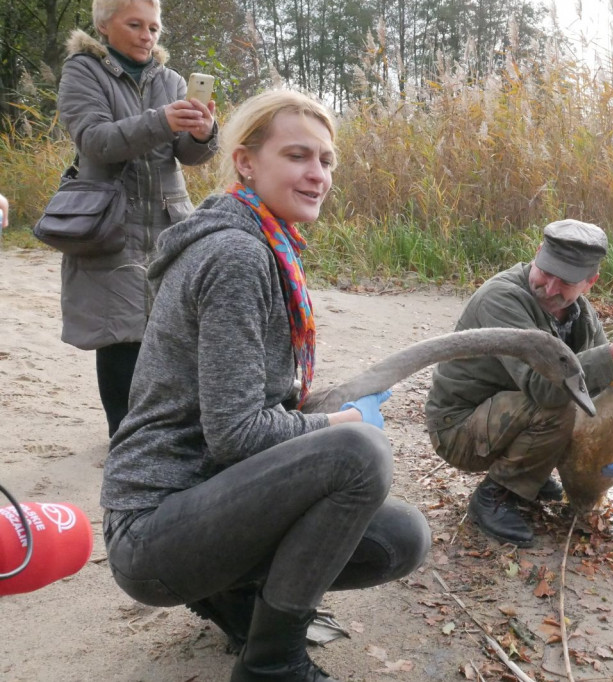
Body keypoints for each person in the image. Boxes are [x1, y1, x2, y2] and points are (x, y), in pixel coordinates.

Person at [100, 89, 430, 682]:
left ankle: (232, 596)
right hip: (153, 528)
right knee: (360, 454)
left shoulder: (268, 245)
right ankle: (272, 664)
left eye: (326, 160)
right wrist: (342, 424)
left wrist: (323, 419)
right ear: (247, 162)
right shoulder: (237, 255)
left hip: (209, 502)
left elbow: (250, 408)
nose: (317, 174)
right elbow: (236, 432)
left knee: (399, 538)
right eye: (298, 155)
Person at [425, 219, 613, 547]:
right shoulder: (501, 298)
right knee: (563, 403)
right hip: (458, 428)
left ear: (590, 282)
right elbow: (544, 387)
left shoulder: (584, 318)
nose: (549, 289)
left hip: (500, 417)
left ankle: (531, 475)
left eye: (565, 282)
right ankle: (495, 497)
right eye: (545, 272)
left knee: (592, 403)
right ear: (537, 253)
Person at [57, 0, 218, 437]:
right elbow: (94, 141)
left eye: (154, 27)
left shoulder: (171, 80)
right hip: (110, 222)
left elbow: (186, 155)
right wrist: (162, 120)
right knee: (121, 335)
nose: (148, 35)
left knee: (170, 333)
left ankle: (162, 431)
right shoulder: (82, 71)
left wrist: (203, 134)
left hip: (168, 223)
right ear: (105, 25)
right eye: (136, 24)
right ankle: (124, 440)